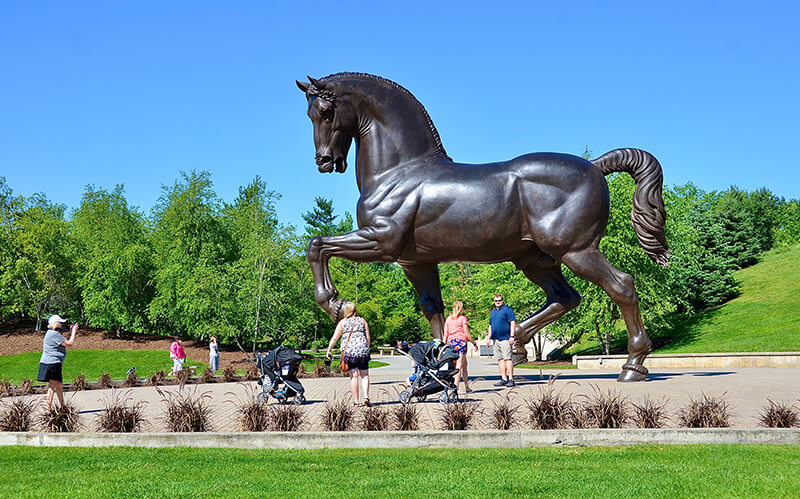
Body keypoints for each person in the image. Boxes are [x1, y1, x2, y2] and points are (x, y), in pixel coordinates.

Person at [326, 302, 372, 407]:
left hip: (350, 353)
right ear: (356, 310)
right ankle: (366, 397)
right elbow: (368, 337)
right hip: (363, 352)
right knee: (364, 375)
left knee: (354, 376)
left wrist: (329, 350)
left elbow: (334, 338)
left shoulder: (343, 322)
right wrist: (366, 348)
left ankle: (356, 402)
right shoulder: (362, 321)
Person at [37, 315, 78, 411]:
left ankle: (63, 407)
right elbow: (70, 343)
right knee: (53, 385)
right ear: (55, 324)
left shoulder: (52, 334)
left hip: (52, 362)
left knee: (59, 384)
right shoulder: (53, 334)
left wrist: (71, 331)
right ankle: (48, 410)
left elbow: (64, 342)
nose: (62, 324)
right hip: (52, 362)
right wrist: (74, 332)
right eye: (60, 322)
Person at [443, 300, 478, 395]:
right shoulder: (463, 319)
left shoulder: (448, 319)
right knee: (459, 366)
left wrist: (443, 345)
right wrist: (474, 343)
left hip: (451, 343)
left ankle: (467, 386)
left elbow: (445, 334)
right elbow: (467, 334)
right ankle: (456, 388)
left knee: (464, 364)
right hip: (461, 343)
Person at [487, 293, 517, 387]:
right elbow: (490, 326)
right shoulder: (493, 312)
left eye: (499, 300)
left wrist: (512, 336)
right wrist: (488, 338)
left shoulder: (508, 310)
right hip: (496, 339)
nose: (497, 302)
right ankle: (504, 378)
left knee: (507, 358)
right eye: (496, 301)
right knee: (500, 359)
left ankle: (511, 379)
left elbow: (513, 323)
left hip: (505, 339)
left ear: (502, 300)